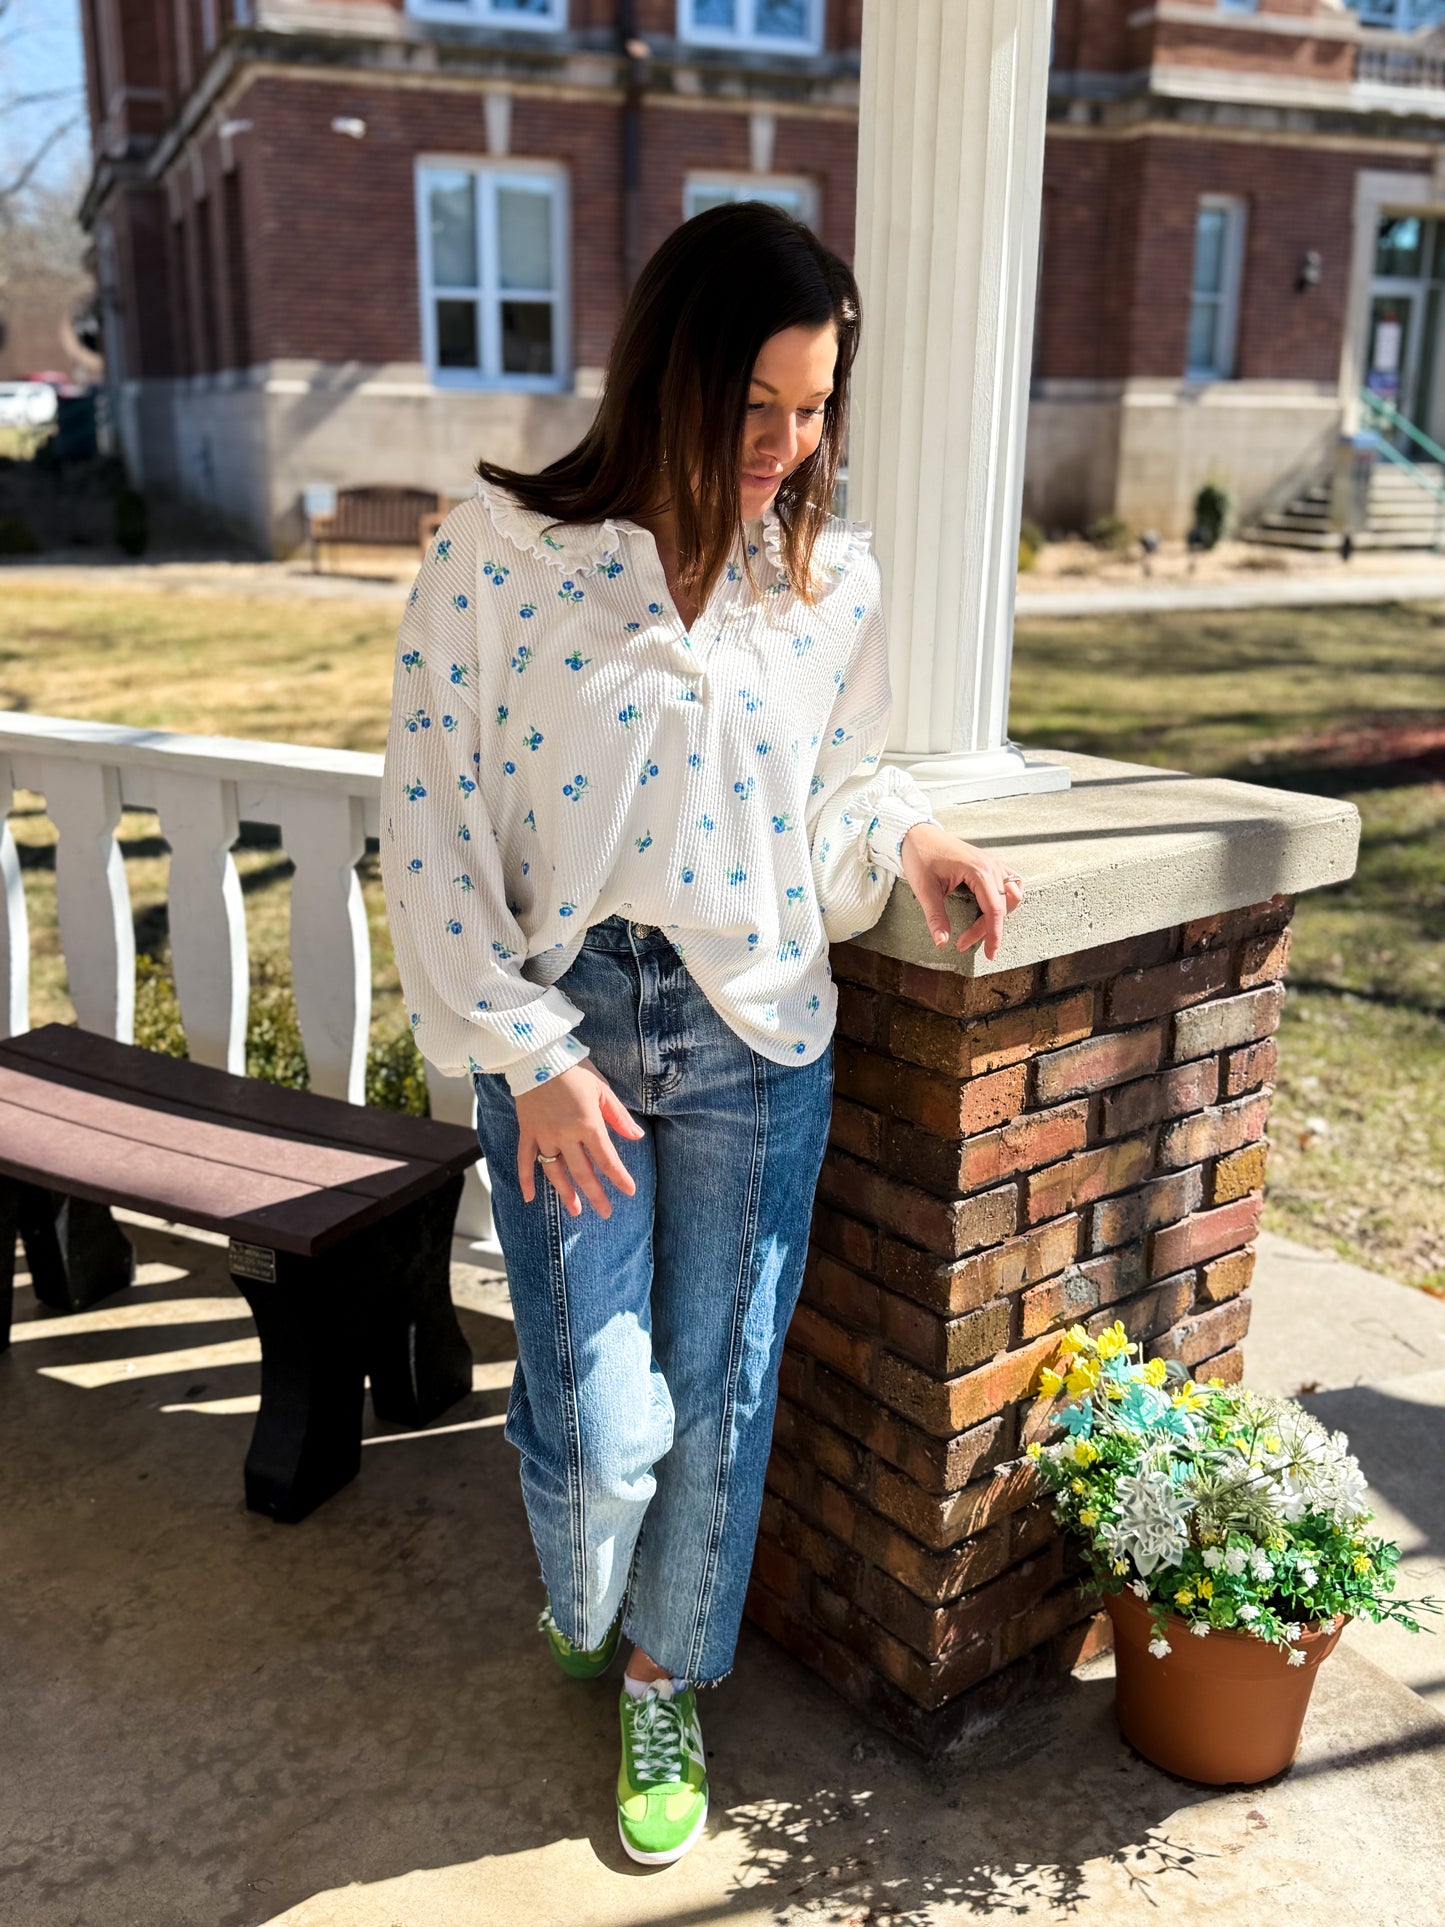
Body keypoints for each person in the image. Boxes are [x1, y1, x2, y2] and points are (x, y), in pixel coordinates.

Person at [379, 202, 1024, 1868]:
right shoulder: (497, 554)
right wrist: (523, 1052)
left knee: (719, 1398)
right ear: (664, 370)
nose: (787, 445)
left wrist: (912, 846)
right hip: (563, 1034)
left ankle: (667, 1681)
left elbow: (831, 788)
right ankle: (587, 1583)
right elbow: (432, 823)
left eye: (813, 408)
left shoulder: (822, 580)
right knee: (602, 1430)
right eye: (755, 407)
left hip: (752, 1026)